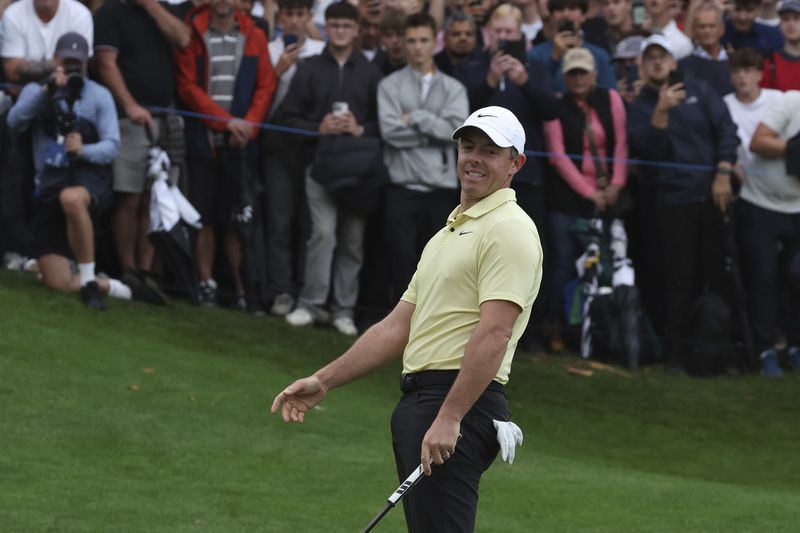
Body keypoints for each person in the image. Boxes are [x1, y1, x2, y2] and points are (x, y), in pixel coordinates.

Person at [272, 105, 543, 532]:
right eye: (468, 146)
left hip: (456, 402)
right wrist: (324, 380)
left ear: (515, 164)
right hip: (426, 402)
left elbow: (495, 332)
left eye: (490, 151)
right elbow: (397, 326)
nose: (474, 158)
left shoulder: (508, 229)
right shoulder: (448, 233)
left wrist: (451, 416)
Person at [6, 33, 166, 310]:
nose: (72, 68)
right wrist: (47, 92)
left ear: (88, 63)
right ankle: (118, 288)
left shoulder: (99, 96)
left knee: (72, 198)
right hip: (48, 187)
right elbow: (14, 122)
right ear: (55, 60)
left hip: (88, 181)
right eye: (67, 61)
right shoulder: (38, 91)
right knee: (58, 282)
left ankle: (90, 281)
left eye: (77, 63)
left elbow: (112, 146)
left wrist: (84, 150)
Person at [627, 34, 738, 372]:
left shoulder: (701, 90)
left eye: (663, 57)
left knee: (718, 275)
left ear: (675, 62)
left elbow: (727, 131)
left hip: (711, 195)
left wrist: (722, 173)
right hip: (670, 202)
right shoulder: (641, 104)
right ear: (643, 66)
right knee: (677, 279)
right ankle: (676, 353)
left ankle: (719, 351)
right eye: (651, 58)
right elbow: (648, 151)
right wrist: (661, 110)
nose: (658, 63)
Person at [281, 1, 383, 336]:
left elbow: (383, 125)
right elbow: (288, 119)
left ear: (357, 30)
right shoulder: (309, 67)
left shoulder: (370, 73)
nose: (340, 31)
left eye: (346, 25)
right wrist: (318, 127)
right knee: (322, 234)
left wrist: (360, 129)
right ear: (326, 27)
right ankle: (310, 303)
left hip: (359, 170)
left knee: (353, 240)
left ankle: (343, 310)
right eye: (334, 25)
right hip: (319, 165)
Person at [174, 0, 276, 307]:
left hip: (241, 143)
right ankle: (206, 282)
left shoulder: (254, 34)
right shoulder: (193, 30)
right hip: (204, 140)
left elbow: (265, 84)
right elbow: (187, 86)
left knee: (236, 219)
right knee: (202, 215)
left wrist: (248, 126)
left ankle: (241, 289)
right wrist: (225, 122)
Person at [94, 0, 190, 275]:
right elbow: (105, 63)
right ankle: (128, 267)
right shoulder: (111, 12)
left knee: (155, 196)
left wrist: (150, 5)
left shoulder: (162, 10)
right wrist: (129, 104)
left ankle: (146, 269)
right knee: (130, 197)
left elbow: (183, 38)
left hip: (165, 118)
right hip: (129, 119)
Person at [378, 12, 468, 301]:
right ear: (403, 44)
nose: (417, 47)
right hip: (401, 186)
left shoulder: (454, 88)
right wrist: (434, 126)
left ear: (435, 42)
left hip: (440, 189)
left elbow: (455, 132)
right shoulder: (389, 85)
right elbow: (391, 133)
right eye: (412, 40)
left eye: (423, 40)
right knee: (401, 263)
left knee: (438, 266)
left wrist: (415, 117)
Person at [543, 47, 628, 338]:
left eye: (583, 72)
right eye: (572, 73)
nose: (578, 78)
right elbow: (557, 155)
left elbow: (621, 143)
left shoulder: (611, 99)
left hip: (609, 195)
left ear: (594, 74)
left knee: (606, 263)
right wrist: (590, 192)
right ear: (565, 77)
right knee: (563, 264)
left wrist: (616, 183)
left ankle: (606, 329)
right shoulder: (556, 106)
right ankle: (558, 327)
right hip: (568, 199)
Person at [263, 0, 326, 316]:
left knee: (311, 222)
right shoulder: (269, 49)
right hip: (277, 146)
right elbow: (260, 104)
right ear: (280, 16)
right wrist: (277, 73)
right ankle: (281, 290)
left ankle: (305, 292)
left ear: (309, 17)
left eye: (301, 14)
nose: (294, 21)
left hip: (313, 146)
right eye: (289, 14)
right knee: (279, 219)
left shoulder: (320, 50)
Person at [744, 90, 800, 376]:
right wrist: (792, 148)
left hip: (798, 209)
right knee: (764, 277)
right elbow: (758, 142)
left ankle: (795, 345)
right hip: (762, 203)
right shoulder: (791, 101)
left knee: (797, 276)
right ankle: (766, 348)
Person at [528, 0, 618, 92]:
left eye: (573, 8)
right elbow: (535, 92)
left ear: (583, 16)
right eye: (559, 9)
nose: (566, 14)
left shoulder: (600, 56)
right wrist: (553, 59)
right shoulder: (535, 55)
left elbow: (611, 98)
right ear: (552, 16)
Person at [1, 0, 93, 84]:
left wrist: (27, 68)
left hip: (71, 88)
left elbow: (81, 66)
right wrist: (55, 64)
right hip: (24, 90)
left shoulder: (80, 14)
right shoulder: (13, 14)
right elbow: (12, 72)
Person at [679, 2, 735, 96]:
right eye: (702, 26)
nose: (707, 31)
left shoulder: (735, 63)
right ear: (694, 30)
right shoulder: (683, 67)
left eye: (712, 26)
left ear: (722, 29)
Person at [761, 0, 800, 91]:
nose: (791, 24)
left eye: (796, 18)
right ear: (779, 25)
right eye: (786, 19)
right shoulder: (769, 63)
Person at [433, 11, 479, 76]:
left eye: (469, 34)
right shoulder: (433, 65)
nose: (463, 38)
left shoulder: (485, 63)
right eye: (456, 34)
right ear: (445, 39)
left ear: (476, 38)